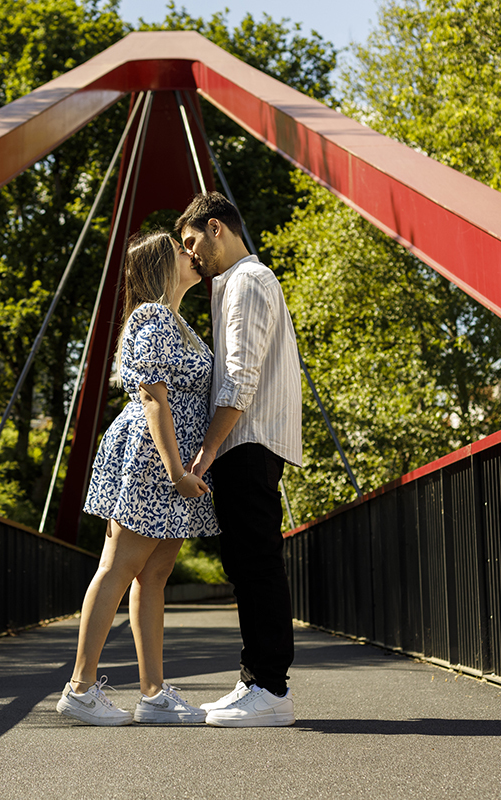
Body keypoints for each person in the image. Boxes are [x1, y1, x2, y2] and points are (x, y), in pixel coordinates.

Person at [56, 230, 221, 726]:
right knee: (118, 567)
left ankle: (153, 694)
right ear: (158, 266)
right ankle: (80, 689)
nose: (192, 254)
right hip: (152, 458)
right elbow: (153, 397)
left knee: (154, 574)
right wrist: (175, 471)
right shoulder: (151, 316)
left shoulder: (178, 322)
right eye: (179, 250)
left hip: (173, 461)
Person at [176, 191, 303, 728]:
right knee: (246, 564)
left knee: (255, 562)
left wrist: (203, 455)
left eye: (191, 242)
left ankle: (271, 689)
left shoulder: (248, 282)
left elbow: (240, 377)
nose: (190, 256)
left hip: (247, 442)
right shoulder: (235, 284)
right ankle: (256, 680)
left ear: (216, 228)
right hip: (245, 442)